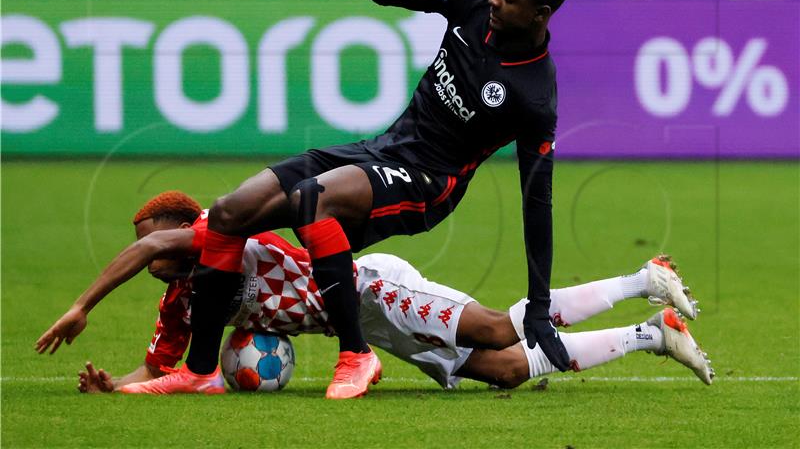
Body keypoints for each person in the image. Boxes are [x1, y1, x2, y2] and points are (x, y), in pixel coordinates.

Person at [146, 0, 573, 399]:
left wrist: (538, 307)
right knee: (229, 213)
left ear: (539, 14)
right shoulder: (471, 3)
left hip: (429, 181)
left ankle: (357, 354)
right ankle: (200, 373)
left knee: (315, 199)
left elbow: (537, 202)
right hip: (383, 148)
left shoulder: (534, 96)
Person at [36, 192, 713, 394]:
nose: (147, 252)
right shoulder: (185, 303)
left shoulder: (224, 231)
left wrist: (82, 304)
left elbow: (154, 247)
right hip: (364, 330)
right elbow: (165, 367)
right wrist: (116, 390)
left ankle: (640, 278)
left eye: (153, 238)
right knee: (505, 370)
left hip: (375, 290)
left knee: (501, 330)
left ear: (186, 231)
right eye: (141, 242)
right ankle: (653, 333)